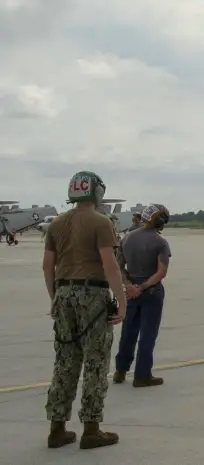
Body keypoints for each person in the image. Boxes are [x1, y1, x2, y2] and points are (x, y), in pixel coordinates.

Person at [43, 170, 125, 450]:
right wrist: (121, 299)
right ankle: (91, 429)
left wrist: (55, 298)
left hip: (63, 293)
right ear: (97, 192)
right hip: (93, 294)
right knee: (96, 360)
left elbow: (47, 266)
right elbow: (109, 264)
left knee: (65, 361)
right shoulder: (101, 222)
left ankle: (57, 429)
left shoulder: (56, 224)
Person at [113, 203, 171, 388]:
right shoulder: (160, 242)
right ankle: (142, 375)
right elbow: (161, 272)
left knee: (128, 332)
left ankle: (120, 371)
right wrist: (143, 286)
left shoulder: (127, 238)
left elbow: (118, 267)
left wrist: (130, 286)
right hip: (151, 291)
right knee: (147, 335)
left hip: (131, 292)